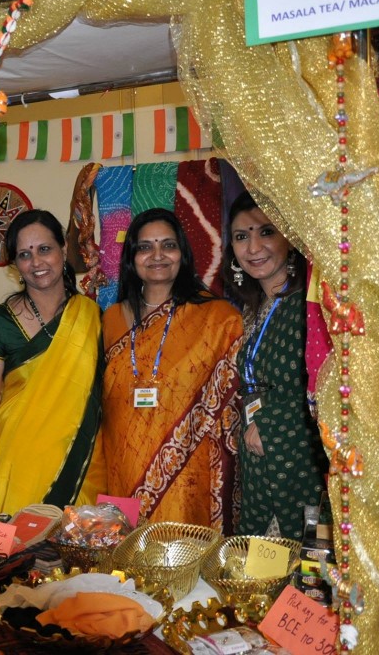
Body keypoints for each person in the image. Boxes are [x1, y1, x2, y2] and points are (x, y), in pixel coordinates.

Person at [102, 208, 242, 532]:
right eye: (145, 247)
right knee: (127, 556)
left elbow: (232, 406)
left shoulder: (218, 318)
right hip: (121, 467)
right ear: (131, 258)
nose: (157, 256)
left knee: (184, 556)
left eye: (168, 245)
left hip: (189, 475)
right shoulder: (111, 319)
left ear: (183, 253)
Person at [0, 209, 106, 515]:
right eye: (24, 254)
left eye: (44, 249)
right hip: (14, 470)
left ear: (63, 250)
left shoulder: (92, 316)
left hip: (80, 468)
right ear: (15, 264)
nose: (36, 262)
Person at [226, 192, 328, 539]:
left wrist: (270, 422)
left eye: (266, 232)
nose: (253, 247)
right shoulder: (252, 310)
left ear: (290, 238)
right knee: (259, 561)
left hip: (299, 461)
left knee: (305, 557)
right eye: (241, 236)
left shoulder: (311, 305)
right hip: (259, 462)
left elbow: (324, 384)